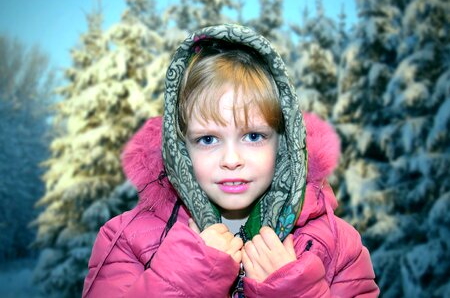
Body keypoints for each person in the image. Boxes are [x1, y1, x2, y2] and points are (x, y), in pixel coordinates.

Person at [82, 24, 379, 297]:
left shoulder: (338, 246)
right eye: (208, 139)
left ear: (284, 143)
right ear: (180, 148)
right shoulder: (125, 239)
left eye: (253, 136)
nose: (232, 159)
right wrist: (186, 277)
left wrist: (293, 290)